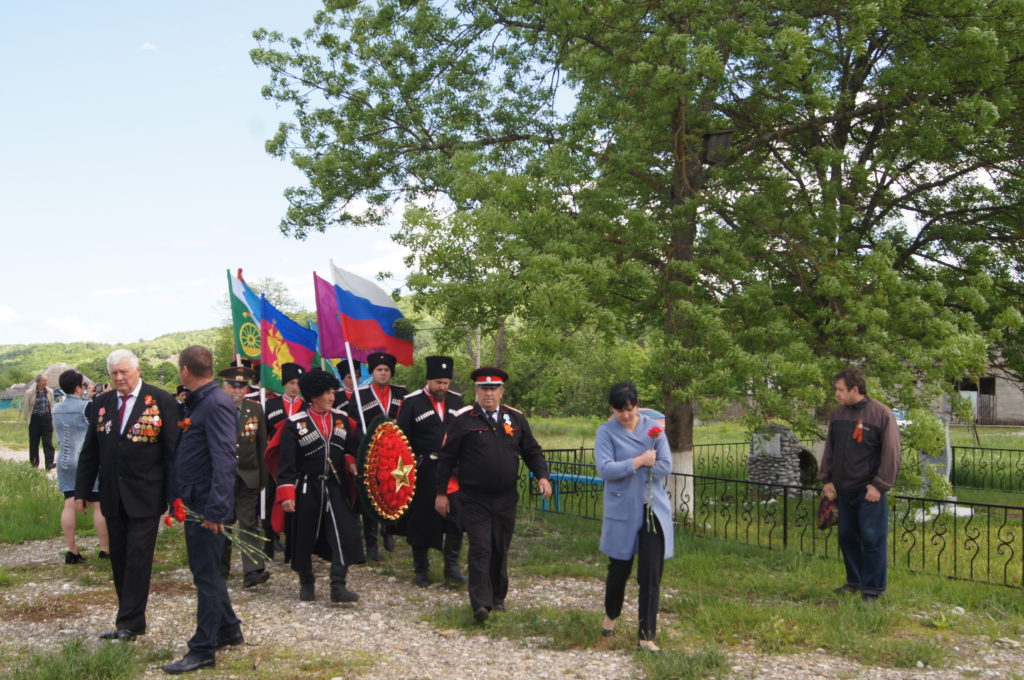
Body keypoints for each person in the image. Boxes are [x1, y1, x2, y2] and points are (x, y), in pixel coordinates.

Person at [75, 349, 179, 642]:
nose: (119, 378)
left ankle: (129, 622)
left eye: (124, 372)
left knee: (138, 556)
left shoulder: (161, 400)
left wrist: (176, 496)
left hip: (147, 494)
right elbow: (91, 450)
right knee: (118, 556)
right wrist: (82, 490)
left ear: (138, 369)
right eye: (114, 374)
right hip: (112, 494)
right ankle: (130, 618)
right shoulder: (102, 403)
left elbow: (173, 452)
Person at [435, 367, 552, 622]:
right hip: (474, 497)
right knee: (480, 548)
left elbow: (532, 451)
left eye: (493, 389)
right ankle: (480, 604)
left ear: (502, 391)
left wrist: (542, 476)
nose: (488, 394)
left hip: (505, 497)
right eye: (483, 389)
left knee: (500, 547)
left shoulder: (516, 419)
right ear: (476, 391)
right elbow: (446, 459)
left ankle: (498, 597)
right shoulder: (464, 419)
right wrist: (441, 493)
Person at [162, 346, 242, 675]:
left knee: (207, 576)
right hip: (197, 500)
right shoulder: (203, 400)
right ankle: (229, 629)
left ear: (185, 371)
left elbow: (225, 459)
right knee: (206, 571)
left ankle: (203, 649)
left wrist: (216, 511)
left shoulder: (215, 403)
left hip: (207, 504)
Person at [595, 381, 673, 651]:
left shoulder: (654, 429)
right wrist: (638, 462)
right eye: (620, 410)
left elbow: (665, 465)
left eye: (630, 409)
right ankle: (611, 615)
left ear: (637, 405)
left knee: (650, 572)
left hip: (652, 509)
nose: (626, 415)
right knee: (619, 568)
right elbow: (606, 470)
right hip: (622, 508)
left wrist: (639, 467)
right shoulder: (606, 432)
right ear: (612, 409)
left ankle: (646, 636)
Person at [275, 369, 364, 603]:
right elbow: (286, 464)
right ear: (313, 395)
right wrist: (286, 493)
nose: (331, 397)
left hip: (334, 484)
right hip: (306, 486)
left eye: (333, 392)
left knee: (345, 531)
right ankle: (306, 580)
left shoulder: (343, 420)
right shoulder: (295, 424)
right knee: (303, 535)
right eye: (326, 393)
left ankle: (338, 585)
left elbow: (349, 450)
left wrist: (351, 462)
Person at [820, 367, 901, 603]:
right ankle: (854, 581)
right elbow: (830, 449)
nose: (836, 394)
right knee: (847, 537)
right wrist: (827, 479)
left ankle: (873, 590)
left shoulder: (881, 414)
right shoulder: (838, 414)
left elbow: (892, 453)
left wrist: (880, 485)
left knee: (872, 539)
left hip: (869, 492)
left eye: (840, 390)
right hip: (843, 490)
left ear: (855, 389)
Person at [396, 355, 466, 587]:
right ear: (429, 380)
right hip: (424, 468)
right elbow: (401, 438)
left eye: (446, 383)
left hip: (453, 469)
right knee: (422, 518)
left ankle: (451, 566)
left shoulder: (458, 401)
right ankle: (421, 568)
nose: (442, 387)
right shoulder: (412, 402)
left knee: (456, 515)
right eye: (438, 383)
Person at [347, 352, 406, 560]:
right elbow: (352, 425)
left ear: (391, 373)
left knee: (392, 491)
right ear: (372, 372)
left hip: (394, 453)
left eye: (386, 370)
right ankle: (371, 541)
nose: (383, 373)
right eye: (379, 370)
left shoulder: (401, 393)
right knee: (370, 496)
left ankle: (388, 531)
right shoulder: (360, 393)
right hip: (368, 451)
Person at [218, 365, 270, 588]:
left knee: (248, 522)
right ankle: (219, 570)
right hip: (221, 476)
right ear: (224, 386)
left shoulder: (255, 409)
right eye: (233, 386)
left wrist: (263, 478)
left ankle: (253, 570)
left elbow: (262, 445)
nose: (237, 391)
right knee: (223, 522)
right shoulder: (215, 408)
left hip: (248, 475)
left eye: (242, 386)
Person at [52, 369, 109, 564]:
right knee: (97, 503)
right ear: (79, 386)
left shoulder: (56, 408)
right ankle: (104, 549)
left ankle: (72, 550)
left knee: (69, 502)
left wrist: (86, 397)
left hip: (65, 459)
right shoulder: (88, 406)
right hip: (86, 460)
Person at [263, 362, 305, 560]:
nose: (294, 387)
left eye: (298, 383)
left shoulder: (307, 406)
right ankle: (269, 541)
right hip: (274, 464)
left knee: (295, 503)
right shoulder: (270, 405)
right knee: (271, 500)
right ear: (284, 384)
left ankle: (292, 546)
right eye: (291, 382)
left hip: (298, 463)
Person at [20, 373, 55, 469]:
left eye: (46, 380)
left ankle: (49, 463)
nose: (46, 382)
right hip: (35, 418)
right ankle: (34, 464)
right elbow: (26, 408)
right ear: (38, 382)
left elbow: (51, 405)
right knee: (34, 443)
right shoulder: (30, 392)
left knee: (48, 442)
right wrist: (28, 420)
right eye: (44, 380)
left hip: (47, 418)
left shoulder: (50, 392)